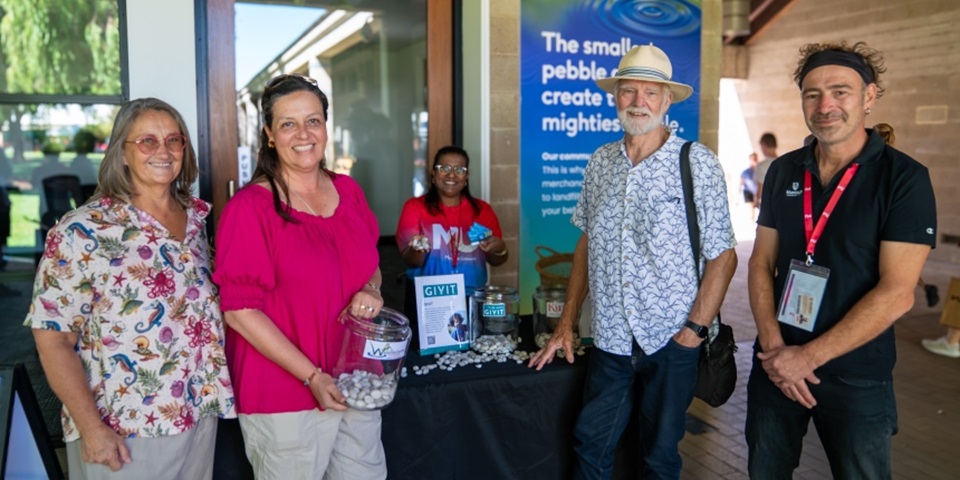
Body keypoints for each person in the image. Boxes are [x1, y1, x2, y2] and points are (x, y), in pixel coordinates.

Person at [528, 44, 737, 479]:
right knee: (591, 443)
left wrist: (693, 332)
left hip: (671, 341)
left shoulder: (696, 163)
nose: (638, 101)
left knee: (658, 457)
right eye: (628, 91)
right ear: (615, 97)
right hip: (610, 340)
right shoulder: (601, 161)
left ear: (666, 100)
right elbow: (587, 244)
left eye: (650, 92)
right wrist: (566, 323)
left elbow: (723, 256)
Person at [746, 42, 936, 478]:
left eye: (840, 91)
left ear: (870, 96)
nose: (825, 105)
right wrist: (777, 351)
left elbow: (897, 293)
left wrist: (807, 358)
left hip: (856, 375)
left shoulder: (904, 179)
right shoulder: (784, 171)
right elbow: (760, 263)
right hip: (776, 365)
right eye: (812, 93)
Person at [24, 97, 236, 479]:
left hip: (198, 413)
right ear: (121, 152)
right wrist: (92, 429)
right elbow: (52, 339)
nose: (163, 151)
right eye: (147, 141)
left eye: (174, 140)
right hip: (124, 429)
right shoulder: (82, 230)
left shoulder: (195, 221)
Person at [213, 73, 386, 479]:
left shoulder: (350, 191)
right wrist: (312, 376)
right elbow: (238, 311)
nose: (303, 133)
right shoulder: (250, 208)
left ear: (326, 126)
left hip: (357, 379)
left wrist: (372, 288)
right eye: (288, 124)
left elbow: (369, 263)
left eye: (313, 120)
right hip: (284, 394)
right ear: (270, 134)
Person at [395, 145, 508, 324]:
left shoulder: (482, 211)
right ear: (433, 174)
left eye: (459, 170)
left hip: (470, 297)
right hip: (428, 299)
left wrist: (500, 248)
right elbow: (411, 261)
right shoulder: (415, 208)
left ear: (466, 177)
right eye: (444, 168)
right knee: (427, 352)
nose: (451, 174)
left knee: (472, 349)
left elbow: (496, 260)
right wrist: (417, 248)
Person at [872, 122, 940, 308]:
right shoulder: (899, 165)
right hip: (898, 228)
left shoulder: (873, 166)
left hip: (878, 228)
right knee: (901, 269)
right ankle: (926, 287)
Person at [752, 132, 778, 207]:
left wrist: (756, 202)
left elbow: (760, 187)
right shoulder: (785, 163)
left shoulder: (761, 166)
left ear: (763, 145)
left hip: (767, 205)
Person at [740, 152, 759, 218]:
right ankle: (751, 221)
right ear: (750, 160)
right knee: (751, 209)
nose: (755, 160)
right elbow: (741, 183)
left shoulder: (759, 170)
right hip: (748, 192)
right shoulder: (745, 172)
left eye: (756, 159)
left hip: (757, 191)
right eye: (754, 159)